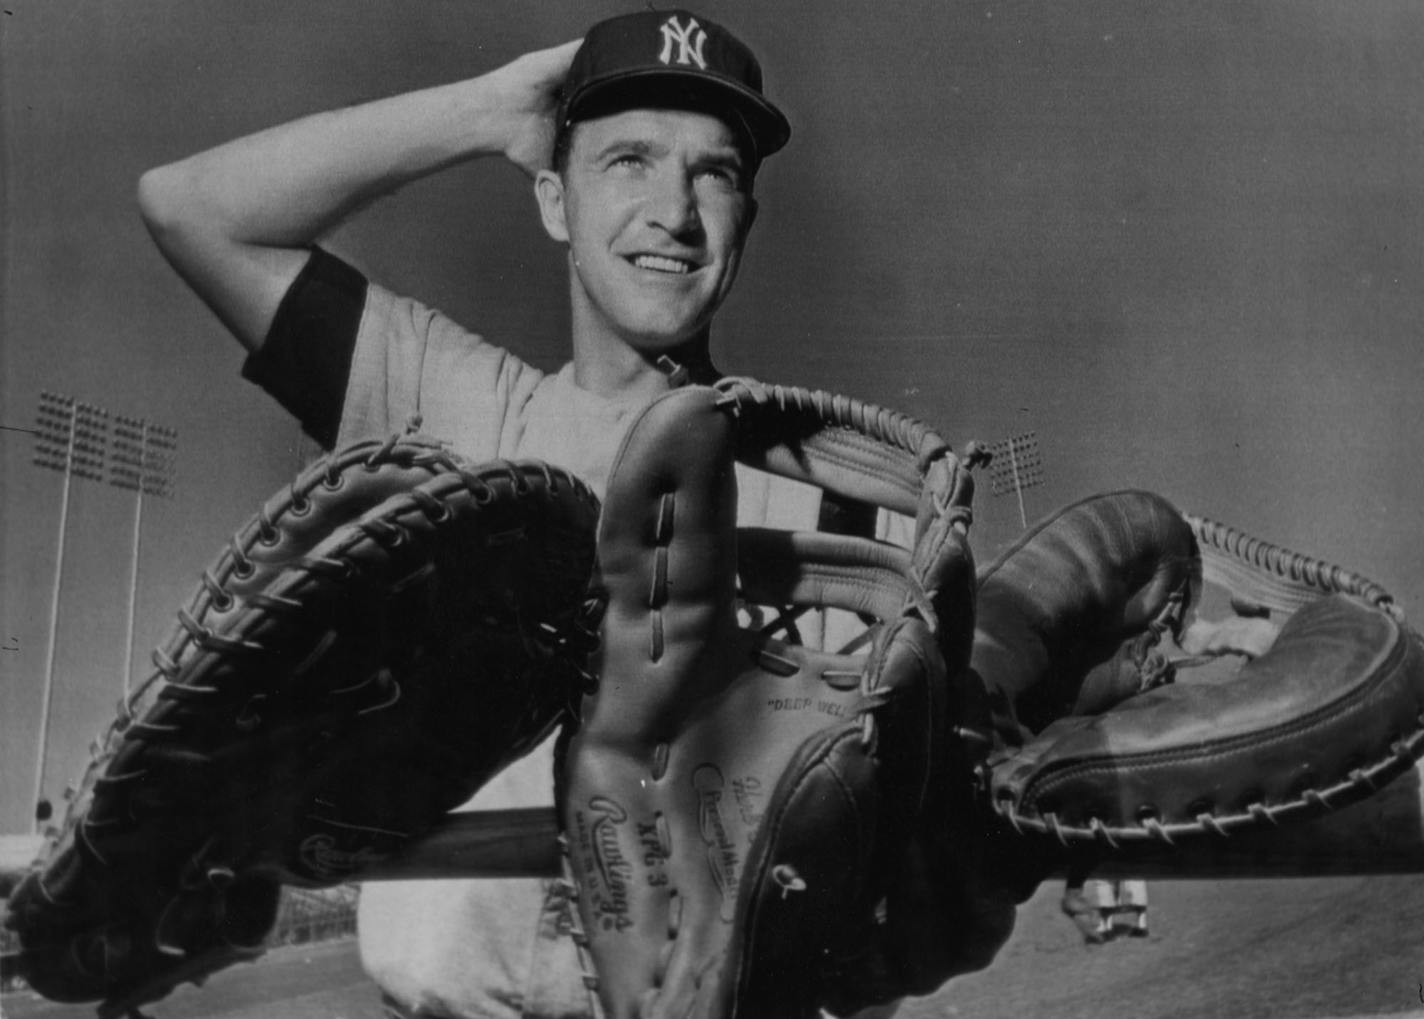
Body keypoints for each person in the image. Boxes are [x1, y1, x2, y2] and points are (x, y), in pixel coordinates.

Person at [138, 10, 900, 1018]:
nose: (673, 211)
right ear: (554, 198)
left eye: (713, 172)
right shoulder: (449, 407)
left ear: (745, 217)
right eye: (627, 159)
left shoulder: (831, 488)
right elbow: (191, 207)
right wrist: (489, 110)